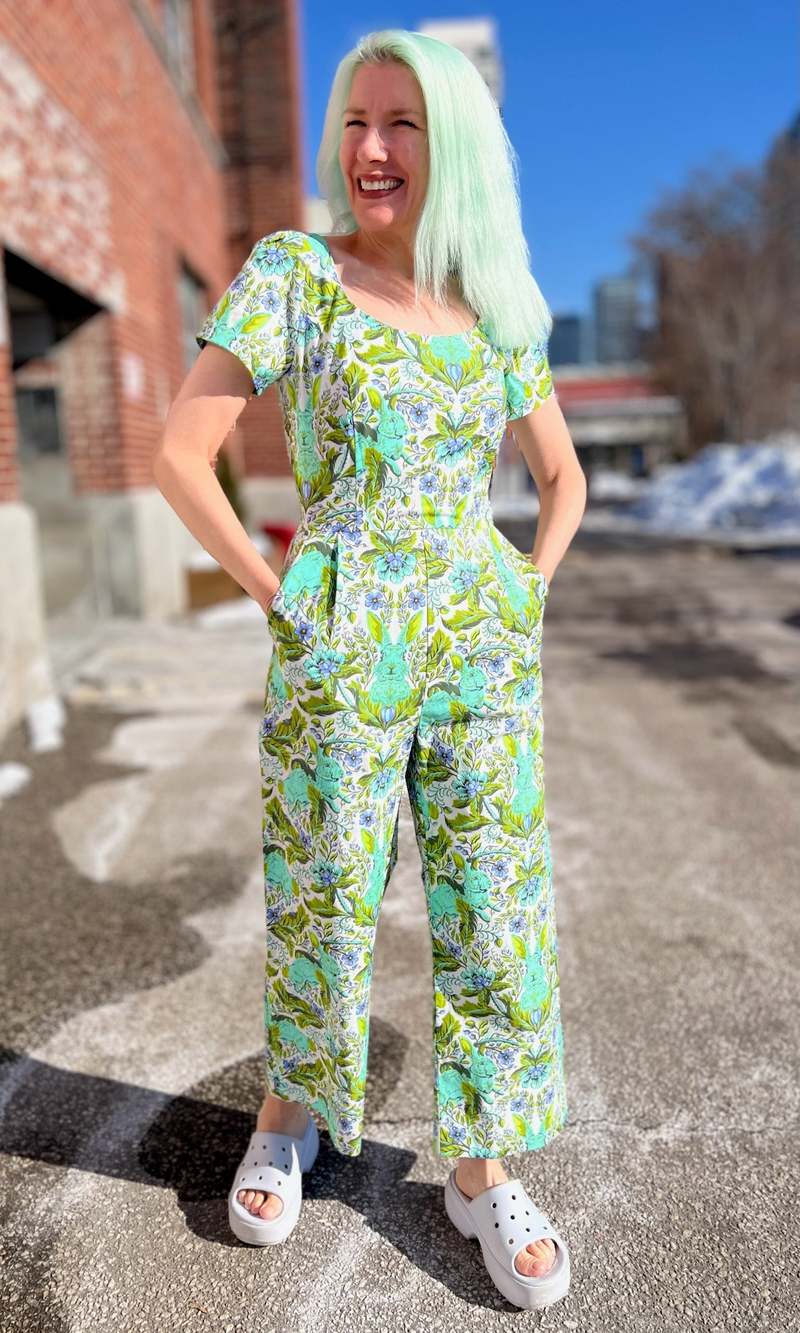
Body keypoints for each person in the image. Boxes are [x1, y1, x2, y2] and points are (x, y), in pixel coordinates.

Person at [154, 27, 586, 1312]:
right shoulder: (295, 271)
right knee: (325, 889)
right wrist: (281, 591)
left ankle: (480, 1167)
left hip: (477, 644)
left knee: (495, 905)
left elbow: (561, 476)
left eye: (402, 124)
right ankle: (289, 1116)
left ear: (454, 149)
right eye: (354, 122)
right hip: (342, 635)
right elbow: (181, 452)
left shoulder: (495, 306)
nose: (372, 149)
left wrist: (522, 587)